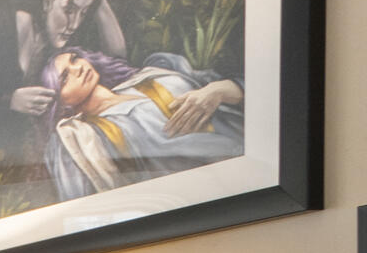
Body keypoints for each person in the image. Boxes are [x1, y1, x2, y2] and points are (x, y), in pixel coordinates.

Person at [40, 48, 242, 200]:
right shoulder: (83, 138)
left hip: (252, 163)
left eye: (75, 59)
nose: (78, 68)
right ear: (60, 100)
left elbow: (246, 90)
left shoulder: (152, 75)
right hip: (205, 199)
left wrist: (220, 89)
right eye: (65, 77)